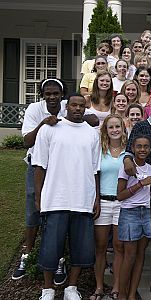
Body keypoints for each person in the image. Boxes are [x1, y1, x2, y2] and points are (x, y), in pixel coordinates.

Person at [33, 94, 101, 300]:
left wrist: (96, 197)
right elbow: (39, 166)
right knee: (50, 247)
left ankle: (71, 288)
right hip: (55, 198)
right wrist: (38, 197)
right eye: (74, 105)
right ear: (66, 107)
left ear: (85, 108)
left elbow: (95, 169)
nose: (78, 109)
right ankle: (48, 289)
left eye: (82, 106)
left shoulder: (92, 134)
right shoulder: (49, 129)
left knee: (80, 249)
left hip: (82, 199)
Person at [14, 78, 71, 284]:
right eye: (48, 94)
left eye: (56, 93)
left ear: (62, 95)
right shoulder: (34, 109)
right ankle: (27, 253)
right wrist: (43, 123)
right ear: (42, 95)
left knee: (58, 210)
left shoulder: (67, 106)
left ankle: (59, 258)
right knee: (33, 208)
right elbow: (27, 141)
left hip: (61, 167)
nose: (52, 97)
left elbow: (86, 116)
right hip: (37, 165)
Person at [90, 114, 127, 300]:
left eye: (118, 127)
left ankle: (116, 286)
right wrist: (96, 199)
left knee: (119, 246)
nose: (114, 130)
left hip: (121, 203)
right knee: (101, 246)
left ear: (123, 128)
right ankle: (98, 287)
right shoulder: (100, 150)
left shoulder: (128, 152)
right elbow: (95, 175)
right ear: (106, 130)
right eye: (111, 127)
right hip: (103, 201)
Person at [117, 135, 151, 300]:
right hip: (130, 213)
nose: (142, 150)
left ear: (150, 149)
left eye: (145, 147)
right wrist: (141, 183)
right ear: (132, 148)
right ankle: (121, 294)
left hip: (145, 213)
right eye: (139, 146)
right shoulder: (127, 168)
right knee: (130, 255)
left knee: (140, 255)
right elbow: (120, 195)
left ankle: (132, 294)